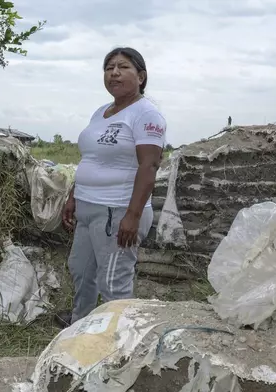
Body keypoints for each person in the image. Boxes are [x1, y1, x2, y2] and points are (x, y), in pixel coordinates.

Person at [57, 47, 167, 326]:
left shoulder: (146, 115)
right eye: (109, 68)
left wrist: (133, 215)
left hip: (118, 210)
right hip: (88, 206)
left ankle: (114, 339)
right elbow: (90, 158)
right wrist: (73, 196)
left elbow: (149, 167)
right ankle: (80, 326)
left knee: (113, 280)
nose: (114, 73)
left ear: (141, 76)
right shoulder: (101, 113)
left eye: (123, 67)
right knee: (81, 270)